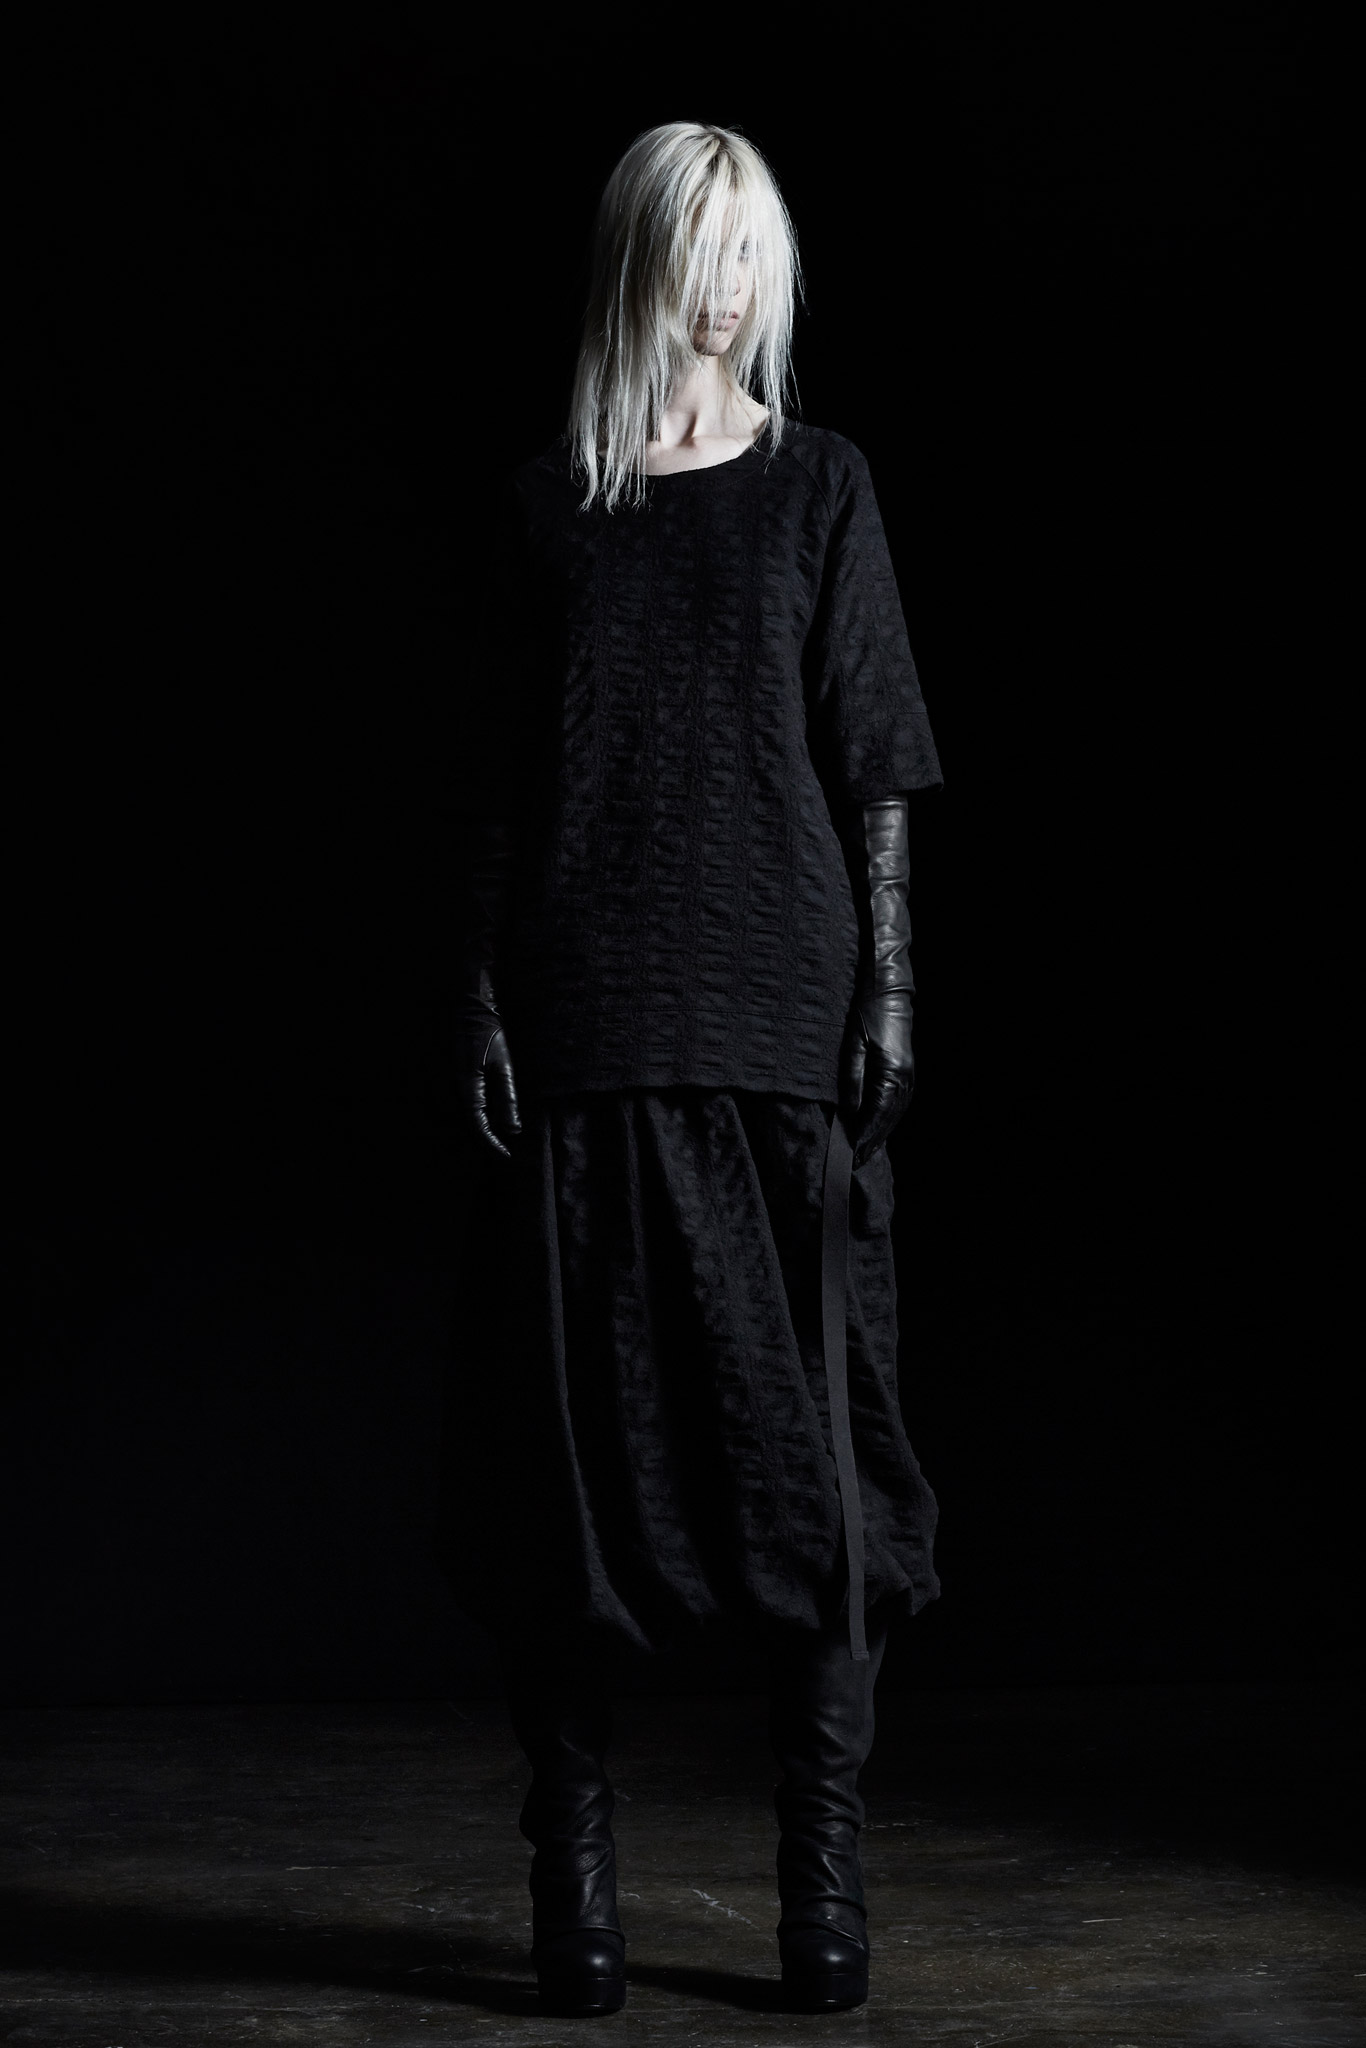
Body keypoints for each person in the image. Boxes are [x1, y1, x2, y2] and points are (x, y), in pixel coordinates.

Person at [444, 119, 943, 2018]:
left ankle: (822, 1887)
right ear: (641, 263)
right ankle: (571, 1891)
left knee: (814, 1478)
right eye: (699, 251)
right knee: (566, 1473)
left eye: (752, 255)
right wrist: (481, 997)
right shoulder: (546, 508)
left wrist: (889, 987)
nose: (726, 290)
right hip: (588, 1014)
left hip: (774, 1017)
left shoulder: (822, 484)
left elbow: (874, 755)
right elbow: (499, 791)